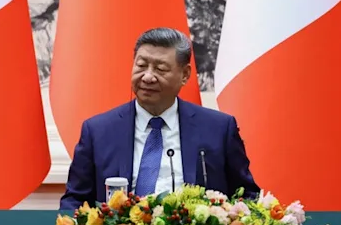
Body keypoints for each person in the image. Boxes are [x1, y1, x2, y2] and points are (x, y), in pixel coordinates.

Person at [59, 27, 260, 210]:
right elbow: (74, 201)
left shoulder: (219, 129)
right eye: (141, 65)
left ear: (185, 74)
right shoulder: (98, 131)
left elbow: (247, 196)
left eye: (160, 69)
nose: (147, 77)